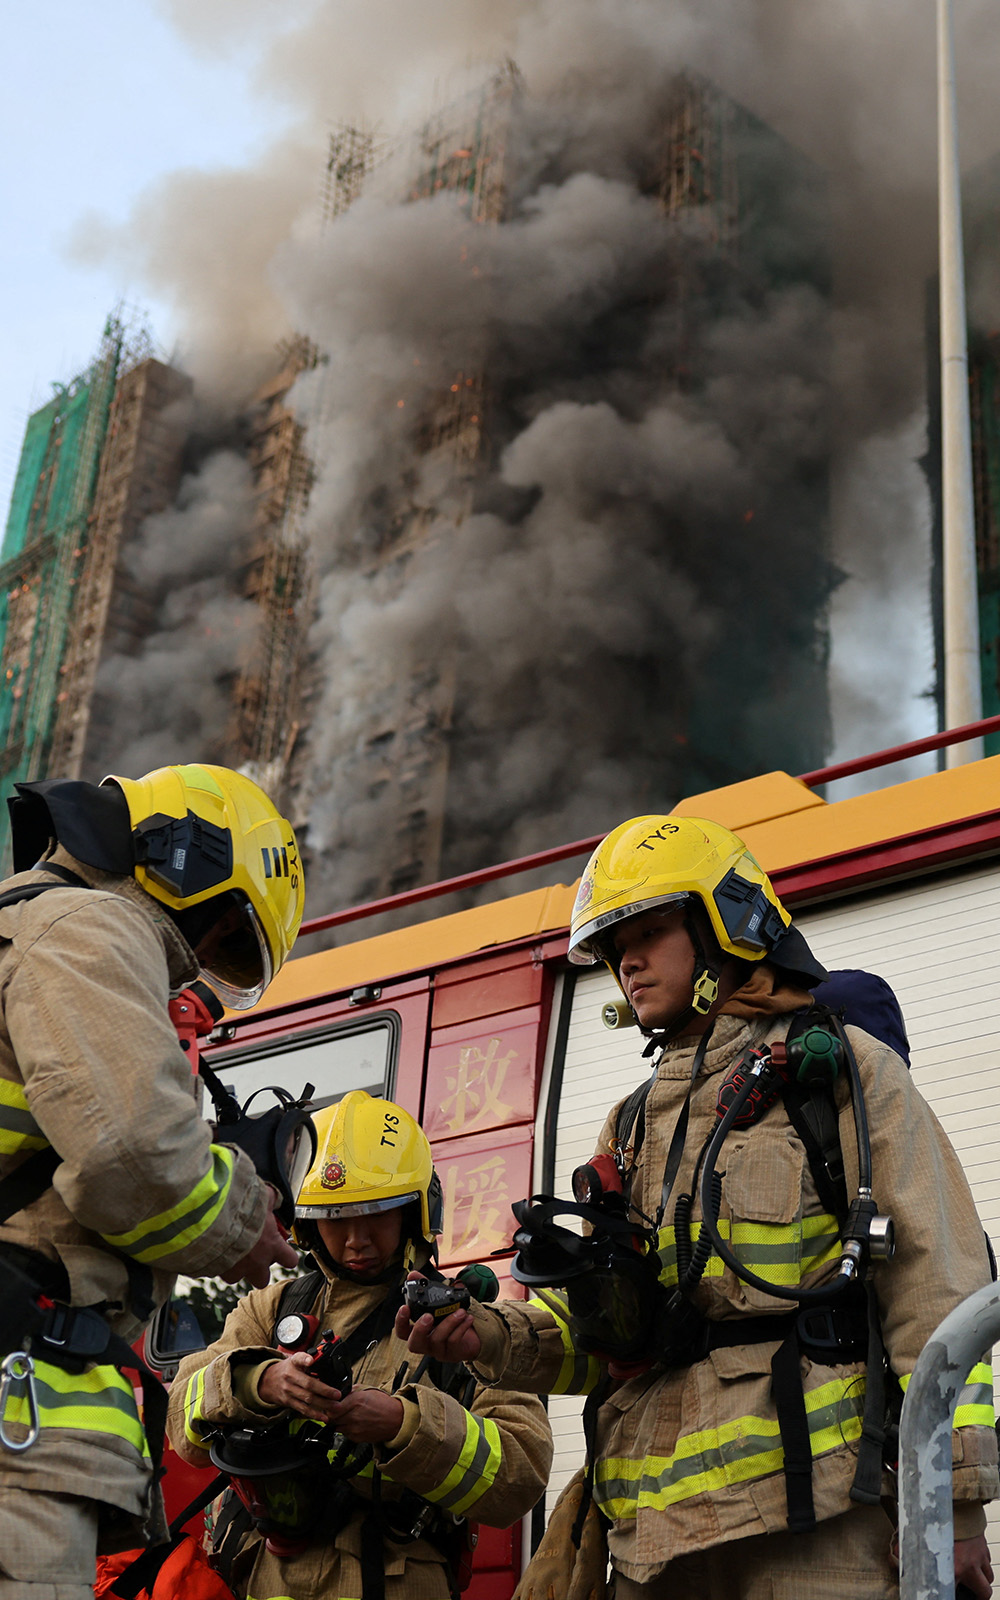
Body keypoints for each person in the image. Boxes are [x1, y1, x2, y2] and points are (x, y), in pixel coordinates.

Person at [401, 814, 1000, 1600]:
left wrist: (950, 1512)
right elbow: (614, 1337)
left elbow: (938, 1292)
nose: (629, 964)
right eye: (615, 948)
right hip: (655, 1548)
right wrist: (481, 1331)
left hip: (815, 1533)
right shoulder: (629, 1125)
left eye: (648, 931)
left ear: (726, 923)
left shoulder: (842, 1072)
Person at [0, 764, 303, 1598]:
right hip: (16, 1411)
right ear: (185, 860)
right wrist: (249, 1225)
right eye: (228, 939)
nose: (198, 969)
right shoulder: (88, 928)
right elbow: (133, 1159)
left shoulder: (28, 924)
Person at [167, 1090, 553, 1600]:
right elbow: (181, 1423)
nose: (355, 1240)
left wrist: (404, 1426)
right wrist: (258, 1381)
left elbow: (520, 1476)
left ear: (415, 1212)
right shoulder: (270, 1310)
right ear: (306, 1224)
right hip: (263, 1580)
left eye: (376, 1214)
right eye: (335, 1218)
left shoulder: (458, 1328)